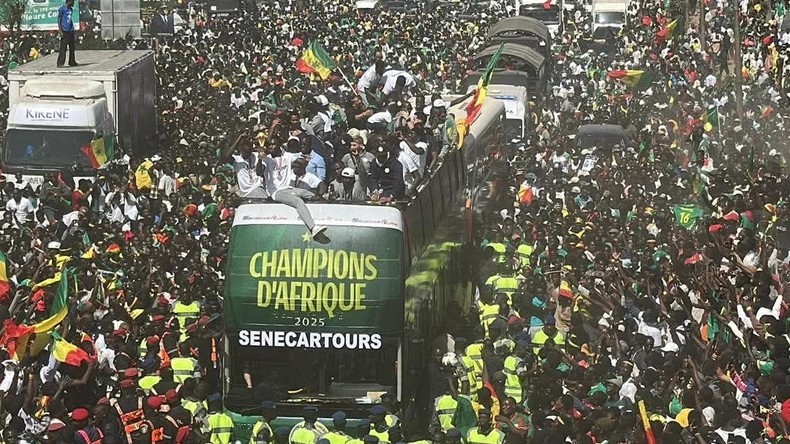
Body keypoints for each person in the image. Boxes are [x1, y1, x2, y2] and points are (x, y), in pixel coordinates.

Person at [262, 139, 327, 238]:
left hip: (288, 188)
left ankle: (325, 217)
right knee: (297, 201)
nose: (270, 147)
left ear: (279, 145)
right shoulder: (267, 159)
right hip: (275, 192)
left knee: (309, 194)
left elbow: (299, 162)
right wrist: (259, 159)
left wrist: (304, 161)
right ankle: (313, 228)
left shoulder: (287, 156)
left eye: (273, 144)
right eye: (269, 145)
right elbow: (259, 172)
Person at [56, 0, 77, 67]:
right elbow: (59, 19)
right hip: (64, 30)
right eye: (72, 1)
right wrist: (60, 30)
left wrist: (73, 28)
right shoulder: (62, 9)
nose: (73, 3)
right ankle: (60, 63)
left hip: (70, 30)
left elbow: (70, 19)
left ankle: (72, 61)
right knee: (63, 48)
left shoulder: (71, 9)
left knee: (72, 47)